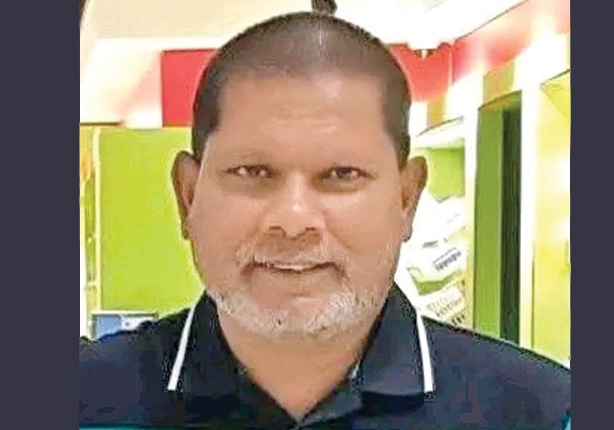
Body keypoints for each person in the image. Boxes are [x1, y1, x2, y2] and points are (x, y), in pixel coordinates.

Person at [79, 10, 571, 430]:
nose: (293, 221)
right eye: (253, 172)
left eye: (341, 175)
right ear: (188, 197)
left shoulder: (542, 413)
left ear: (407, 199)